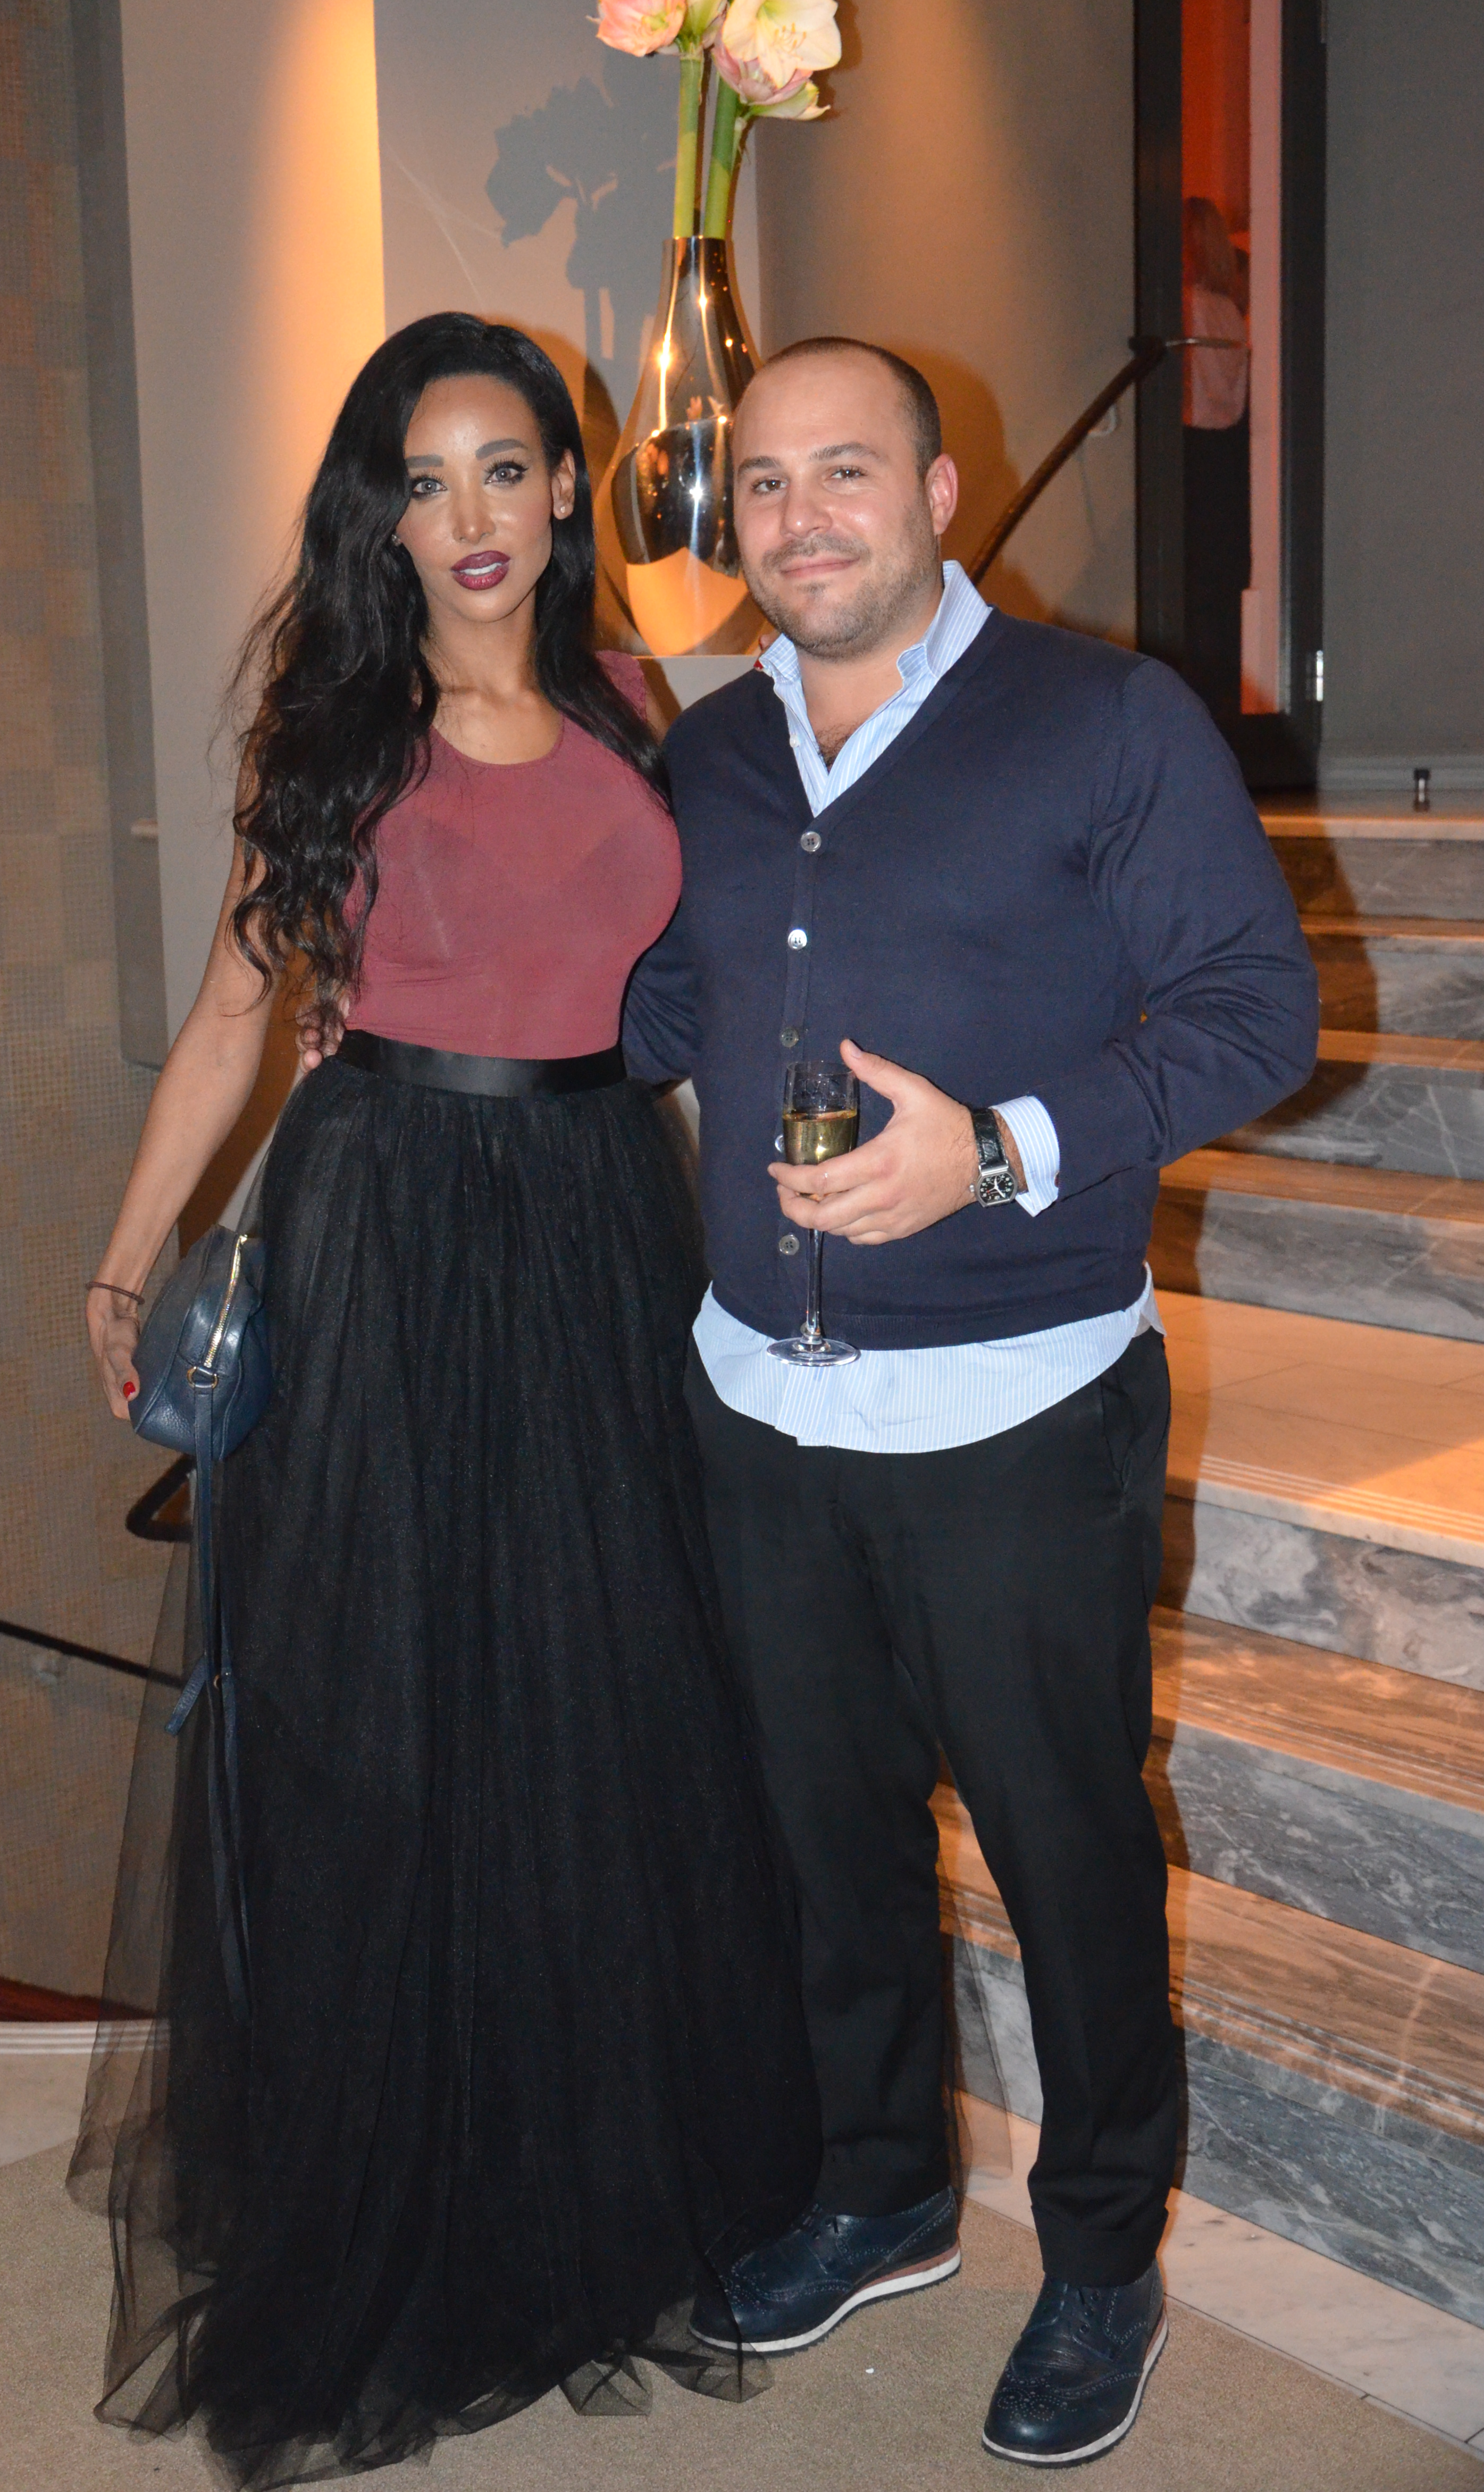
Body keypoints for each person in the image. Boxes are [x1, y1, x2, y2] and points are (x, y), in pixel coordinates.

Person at [72, 313, 820, 2485]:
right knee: (397, 1714)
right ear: (380, 515)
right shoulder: (339, 733)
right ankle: (403, 2205)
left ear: (570, 491)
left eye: (507, 467)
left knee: (602, 1705)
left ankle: (590, 2184)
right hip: (391, 1228)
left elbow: (705, 979)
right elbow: (235, 1013)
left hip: (598, 1220)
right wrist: (127, 1249)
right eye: (425, 478)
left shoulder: (638, 707)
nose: (471, 514)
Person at [620, 336, 1319, 2467]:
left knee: (1065, 1851)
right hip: (761, 1402)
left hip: (1018, 1407)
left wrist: (999, 1148)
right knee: (826, 1842)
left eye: (847, 471)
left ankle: (1099, 2253)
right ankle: (883, 2186)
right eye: (763, 482)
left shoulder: (1103, 718)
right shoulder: (707, 752)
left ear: (939, 492)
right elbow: (657, 1003)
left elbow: (1258, 1011)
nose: (800, 515)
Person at [1182, 195, 1251, 723]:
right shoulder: (1231, 312)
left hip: (1193, 449)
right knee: (1220, 583)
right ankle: (1222, 699)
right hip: (1229, 453)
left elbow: (1190, 395)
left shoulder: (1189, 307)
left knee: (1192, 583)